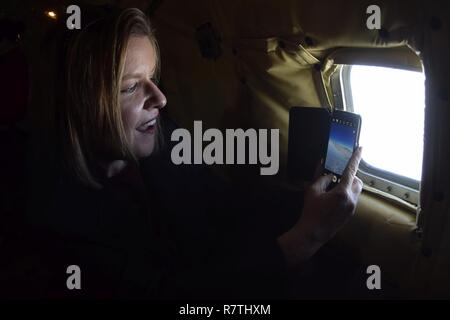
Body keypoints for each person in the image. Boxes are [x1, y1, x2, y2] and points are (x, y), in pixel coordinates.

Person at [25, 7, 363, 299]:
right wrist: (306, 238)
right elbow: (181, 297)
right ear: (78, 106)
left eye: (153, 77)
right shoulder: (60, 222)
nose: (159, 98)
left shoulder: (165, 138)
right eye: (130, 87)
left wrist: (305, 200)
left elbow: (224, 206)